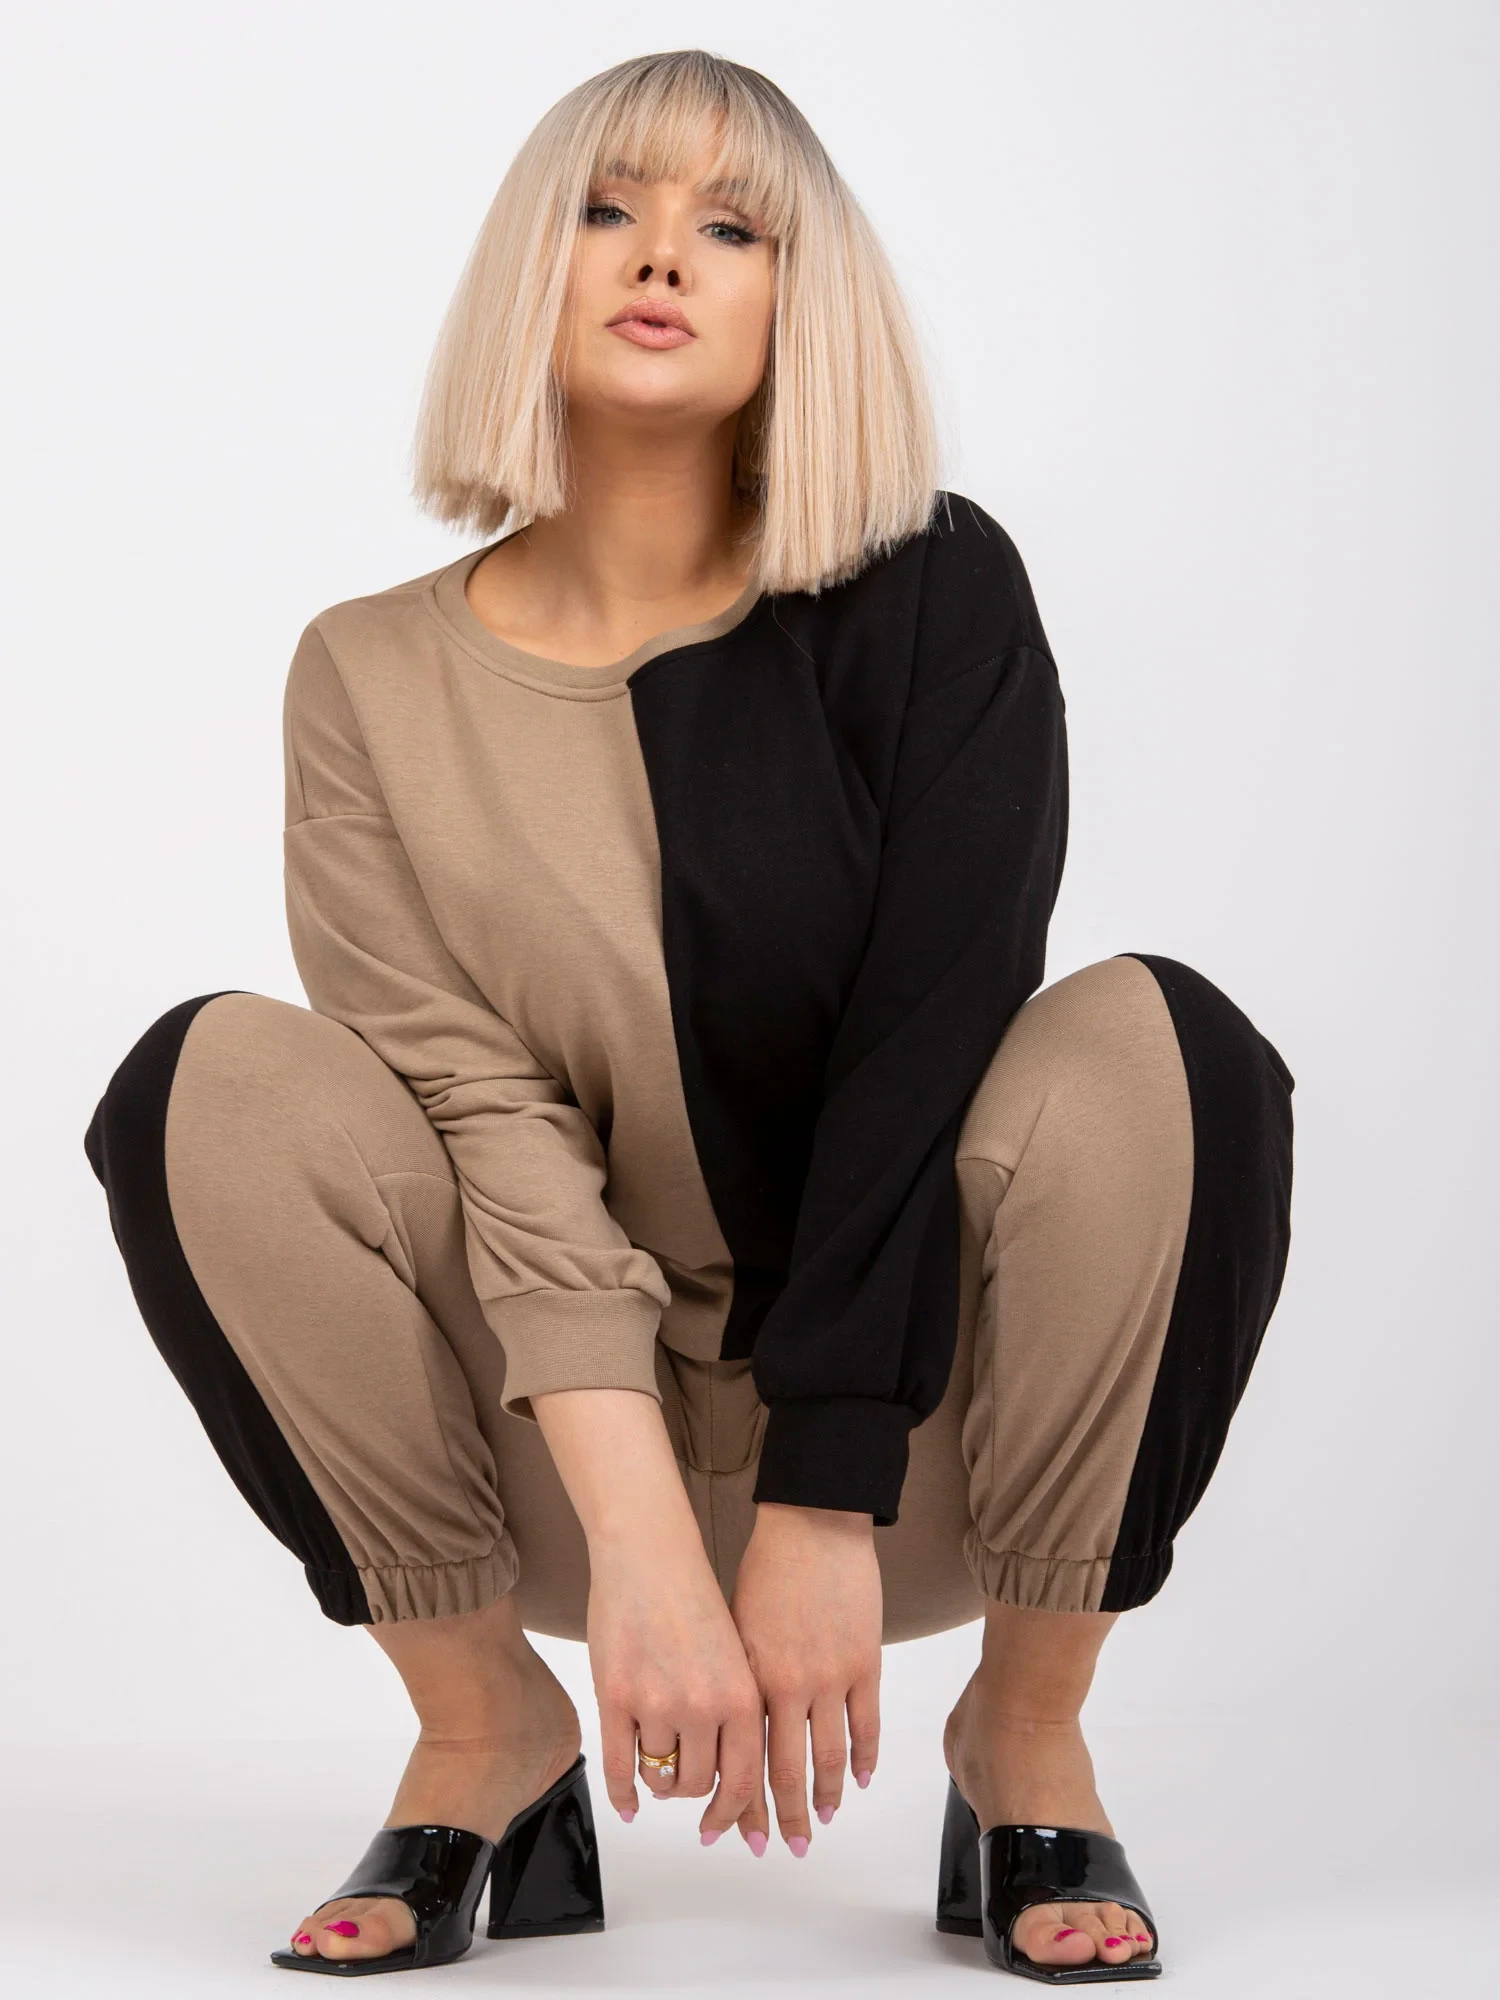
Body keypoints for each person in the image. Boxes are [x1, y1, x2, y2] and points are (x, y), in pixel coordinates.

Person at [84, 48, 1294, 1984]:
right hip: (556, 1471)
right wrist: (644, 1534)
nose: (662, 255)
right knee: (207, 1083)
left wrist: (820, 1486)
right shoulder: (366, 678)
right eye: (608, 208)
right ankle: (483, 1727)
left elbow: (929, 1044)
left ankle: (1027, 1731)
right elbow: (474, 1112)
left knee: (1166, 1046)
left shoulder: (934, 591)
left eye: (733, 226)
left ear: (803, 298)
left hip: (917, 1458)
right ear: (531, 264)